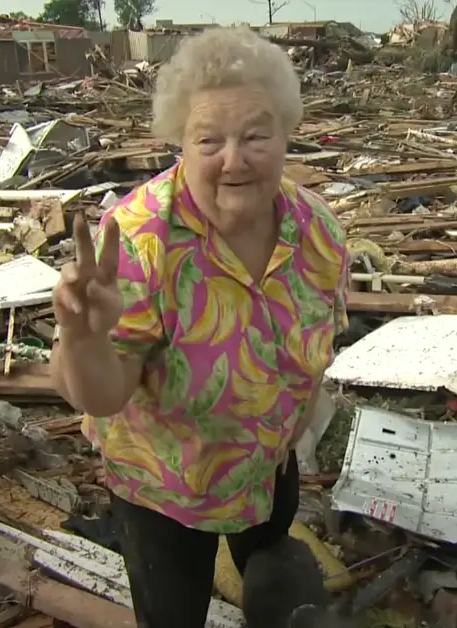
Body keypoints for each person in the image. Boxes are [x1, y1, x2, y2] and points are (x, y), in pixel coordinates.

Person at [49, 26, 350, 628]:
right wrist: (82, 338)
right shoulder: (137, 238)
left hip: (267, 471)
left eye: (256, 136)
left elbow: (319, 346)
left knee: (274, 585)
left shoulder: (317, 232)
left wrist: (292, 431)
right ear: (178, 143)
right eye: (208, 139)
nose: (233, 159)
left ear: (286, 134)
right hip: (164, 492)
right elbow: (103, 395)